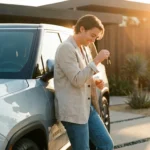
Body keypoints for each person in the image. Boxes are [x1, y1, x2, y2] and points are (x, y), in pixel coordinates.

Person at [54, 14, 114, 150]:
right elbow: (76, 80)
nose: (93, 40)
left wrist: (94, 81)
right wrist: (97, 60)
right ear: (82, 29)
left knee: (106, 144)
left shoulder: (84, 48)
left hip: (87, 108)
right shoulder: (66, 48)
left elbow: (84, 75)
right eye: (92, 35)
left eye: (96, 37)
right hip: (73, 112)